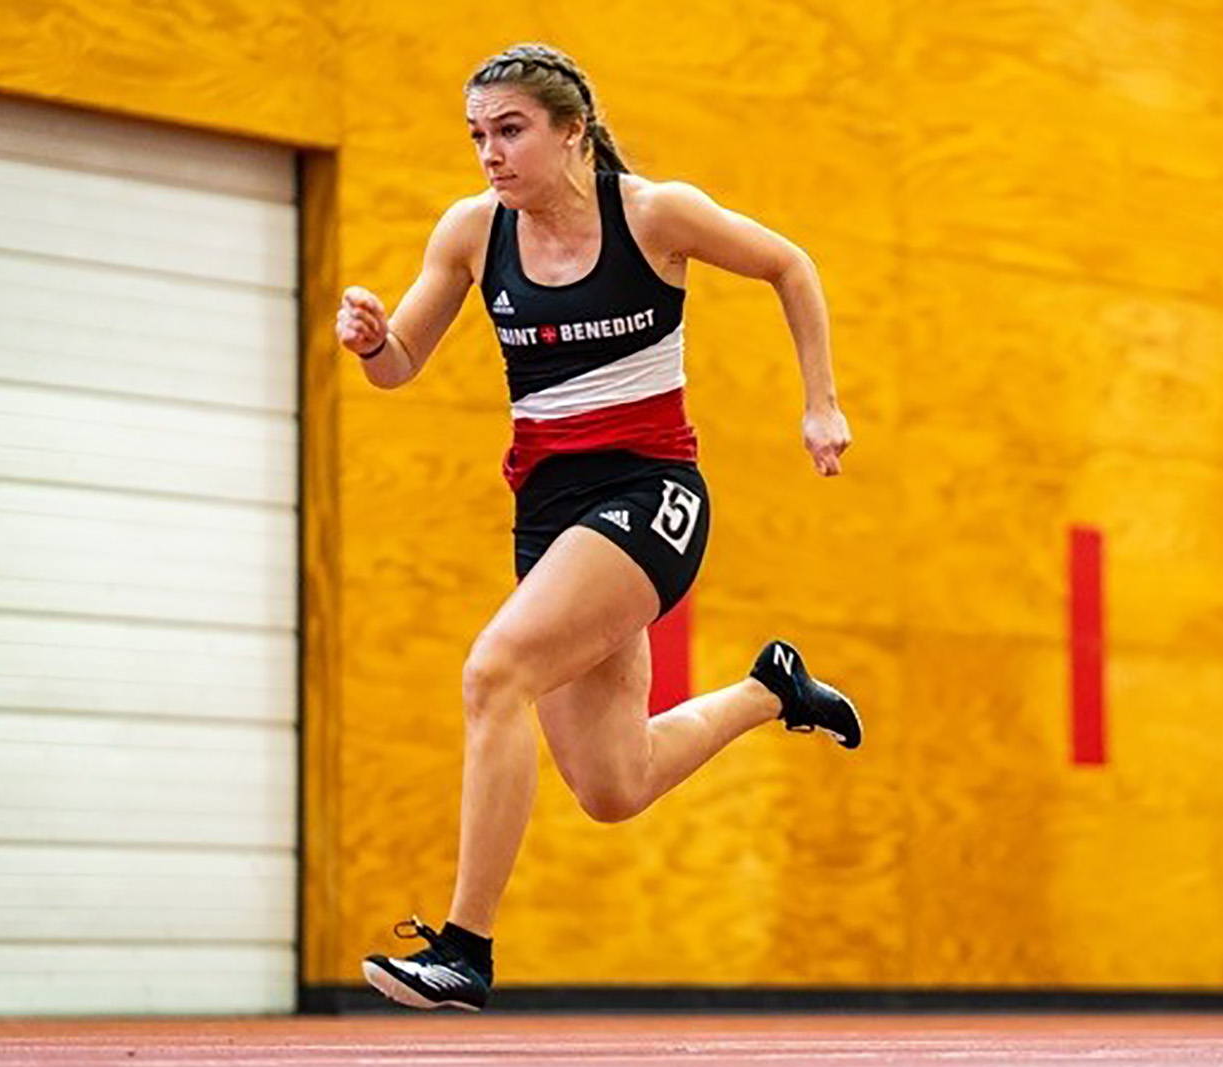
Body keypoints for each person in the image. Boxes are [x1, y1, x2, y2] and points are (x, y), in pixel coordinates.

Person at [334, 42, 862, 1011]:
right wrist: (373, 340)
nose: (490, 154)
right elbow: (402, 361)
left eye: (511, 130)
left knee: (495, 672)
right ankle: (768, 690)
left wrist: (820, 402)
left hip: (652, 496)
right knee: (615, 786)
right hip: (548, 513)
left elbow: (791, 264)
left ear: (572, 131)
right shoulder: (470, 233)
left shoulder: (654, 215)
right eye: (478, 136)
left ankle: (465, 947)